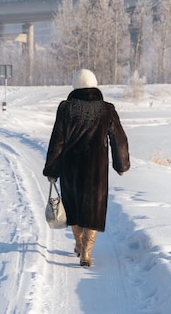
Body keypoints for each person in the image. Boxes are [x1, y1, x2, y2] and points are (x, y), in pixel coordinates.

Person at [43, 69, 130, 267]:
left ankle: (78, 243)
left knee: (72, 208)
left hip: (70, 168)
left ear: (75, 86)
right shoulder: (107, 109)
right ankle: (86, 253)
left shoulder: (65, 108)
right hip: (96, 170)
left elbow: (57, 140)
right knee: (93, 210)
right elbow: (119, 139)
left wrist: (52, 170)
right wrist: (121, 164)